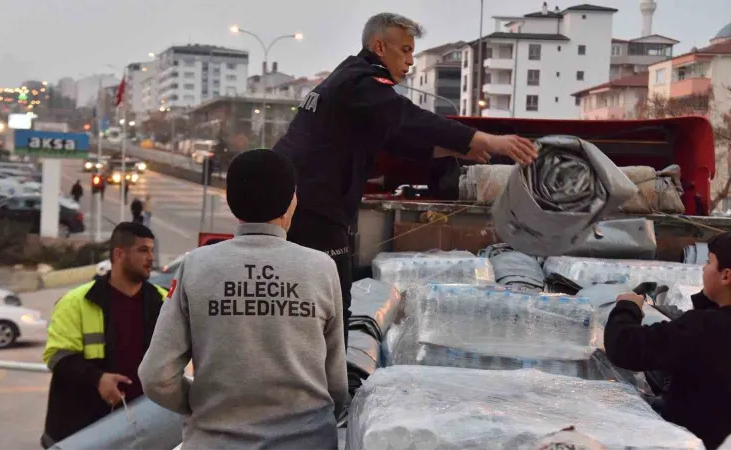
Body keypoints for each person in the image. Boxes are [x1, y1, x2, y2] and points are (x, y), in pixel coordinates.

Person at [272, 12, 538, 346]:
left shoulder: (353, 81)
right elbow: (409, 118)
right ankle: (327, 385)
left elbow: (396, 138)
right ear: (380, 46)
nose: (411, 61)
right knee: (331, 303)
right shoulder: (361, 83)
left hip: (304, 203)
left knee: (321, 300)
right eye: (406, 51)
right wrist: (484, 139)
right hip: (315, 208)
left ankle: (319, 371)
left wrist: (457, 150)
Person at [139, 149, 348, 450]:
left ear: (230, 201)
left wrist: (205, 407)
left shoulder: (197, 266)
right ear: (292, 203)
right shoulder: (320, 268)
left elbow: (155, 376)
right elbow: (337, 385)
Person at [40, 222, 168, 448]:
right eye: (143, 250)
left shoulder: (164, 302)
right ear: (119, 254)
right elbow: (57, 357)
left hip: (144, 428)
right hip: (84, 429)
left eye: (152, 250)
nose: (151, 258)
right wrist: (97, 379)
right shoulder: (76, 302)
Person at [604, 232, 731, 450]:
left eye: (708, 262)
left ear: (726, 276)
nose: (703, 269)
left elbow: (624, 346)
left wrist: (628, 307)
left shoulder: (704, 329)